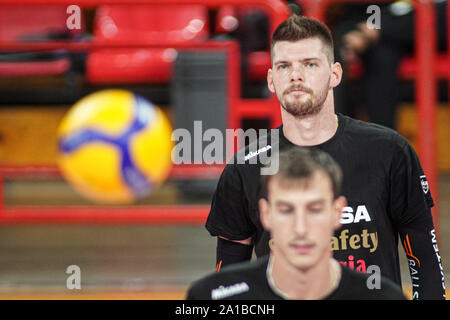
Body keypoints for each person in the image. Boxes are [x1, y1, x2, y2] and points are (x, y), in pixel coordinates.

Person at [205, 14, 445, 299]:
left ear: (335, 74)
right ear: (271, 80)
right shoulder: (245, 167)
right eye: (284, 66)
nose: (295, 75)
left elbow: (425, 261)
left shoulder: (389, 151)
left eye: (309, 64)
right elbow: (228, 284)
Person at [188, 148, 406, 299]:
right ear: (266, 214)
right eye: (286, 210)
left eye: (314, 210)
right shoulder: (212, 297)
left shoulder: (386, 297)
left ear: (337, 212)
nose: (301, 228)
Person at [334, 0, 447, 129]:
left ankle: (369, 32)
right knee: (379, 52)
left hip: (433, 19)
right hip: (387, 22)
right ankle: (380, 141)